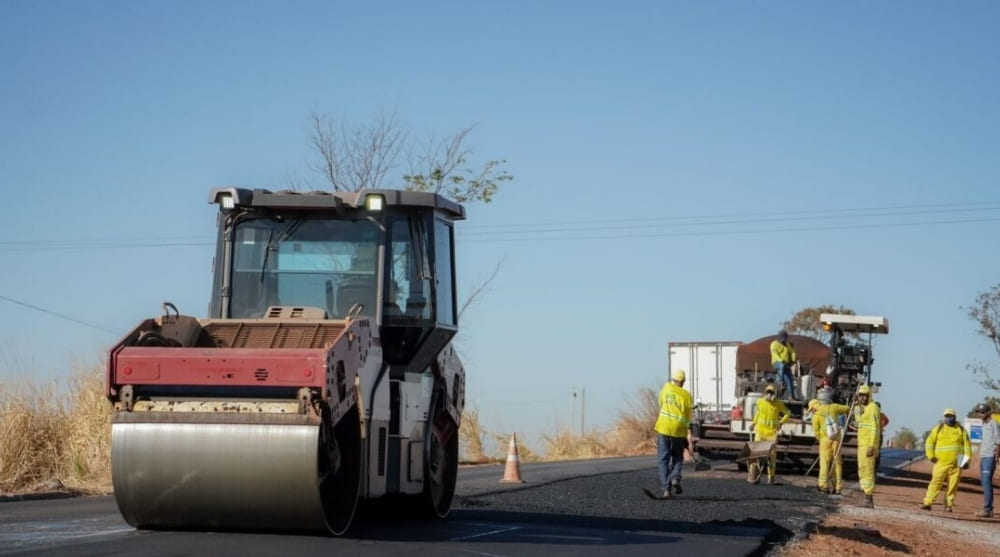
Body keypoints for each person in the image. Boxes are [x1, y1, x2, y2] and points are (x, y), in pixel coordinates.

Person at [920, 408, 973, 512]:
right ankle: (928, 503)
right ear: (944, 417)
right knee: (935, 483)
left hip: (957, 462)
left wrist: (966, 461)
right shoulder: (938, 429)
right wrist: (931, 456)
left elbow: (967, 447)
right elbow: (929, 442)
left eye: (951, 416)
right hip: (940, 462)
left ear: (955, 417)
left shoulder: (961, 430)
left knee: (953, 485)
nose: (949, 418)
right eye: (947, 416)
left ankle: (948, 505)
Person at [653, 369, 694, 499]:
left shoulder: (667, 388)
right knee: (677, 456)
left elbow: (660, 402)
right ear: (683, 381)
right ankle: (675, 477)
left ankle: (666, 489)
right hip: (678, 430)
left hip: (664, 428)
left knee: (663, 459)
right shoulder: (687, 396)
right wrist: (686, 434)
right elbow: (688, 417)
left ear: (673, 380)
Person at [748, 384, 790, 485]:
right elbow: (758, 413)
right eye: (768, 392)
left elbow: (788, 413)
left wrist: (781, 423)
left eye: (771, 393)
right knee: (756, 455)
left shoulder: (778, 404)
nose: (769, 395)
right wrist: (753, 423)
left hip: (772, 434)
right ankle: (753, 476)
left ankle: (771, 477)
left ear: (774, 394)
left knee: (771, 457)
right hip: (760, 432)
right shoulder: (760, 402)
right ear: (765, 393)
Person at [810, 397, 851, 494]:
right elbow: (847, 409)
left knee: (825, 463)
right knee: (836, 463)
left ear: (813, 408)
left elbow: (816, 433)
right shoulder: (833, 407)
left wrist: (822, 440)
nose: (811, 411)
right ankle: (837, 487)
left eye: (811, 410)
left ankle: (824, 486)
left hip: (825, 441)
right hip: (836, 440)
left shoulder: (815, 416)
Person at [854, 384, 881, 508]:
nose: (863, 398)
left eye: (865, 396)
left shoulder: (873, 408)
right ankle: (865, 494)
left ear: (869, 396)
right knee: (862, 470)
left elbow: (875, 428)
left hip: (868, 445)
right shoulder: (861, 409)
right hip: (861, 444)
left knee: (868, 472)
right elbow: (859, 422)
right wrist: (856, 408)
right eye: (861, 396)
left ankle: (869, 498)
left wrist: (872, 446)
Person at [974, 402, 999, 518]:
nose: (980, 414)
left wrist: (997, 456)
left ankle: (988, 509)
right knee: (984, 482)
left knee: (987, 481)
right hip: (983, 456)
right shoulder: (984, 424)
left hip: (990, 456)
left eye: (983, 412)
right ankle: (988, 509)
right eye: (979, 412)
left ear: (988, 412)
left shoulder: (994, 424)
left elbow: (999, 442)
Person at [770, 330, 798, 400]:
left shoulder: (787, 344)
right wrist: (781, 361)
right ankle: (780, 383)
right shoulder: (774, 344)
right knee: (781, 366)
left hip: (786, 364)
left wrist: (793, 360)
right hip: (777, 363)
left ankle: (792, 395)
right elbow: (774, 354)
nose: (784, 340)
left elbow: (792, 352)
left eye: (785, 339)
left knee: (790, 378)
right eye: (783, 339)